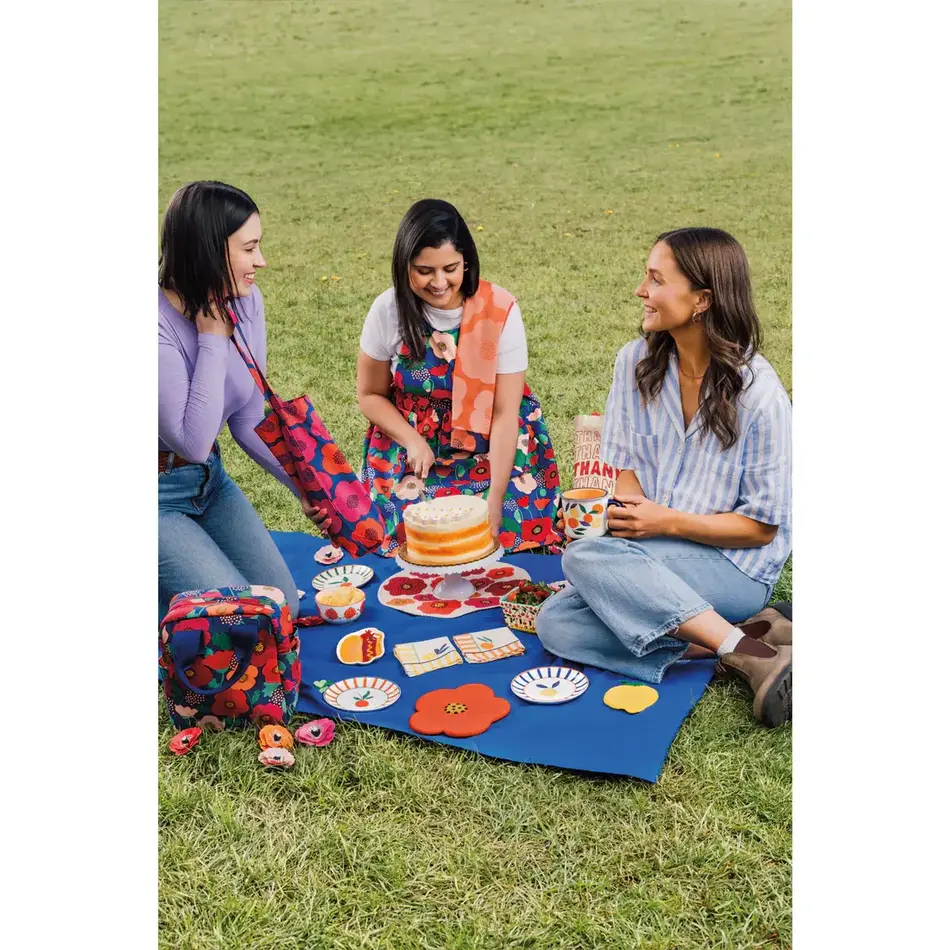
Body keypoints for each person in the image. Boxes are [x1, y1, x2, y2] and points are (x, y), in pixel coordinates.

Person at [535, 227, 792, 727]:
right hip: (653, 550)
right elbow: (626, 468)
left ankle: (752, 654)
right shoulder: (634, 363)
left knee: (584, 556)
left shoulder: (759, 394)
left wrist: (663, 523)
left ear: (702, 300)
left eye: (656, 279)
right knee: (557, 621)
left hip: (735, 566)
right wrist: (625, 519)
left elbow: (762, 529)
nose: (641, 291)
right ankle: (744, 639)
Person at [158, 181, 327, 622]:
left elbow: (248, 417)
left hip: (208, 483)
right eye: (249, 249)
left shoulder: (246, 301)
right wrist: (213, 337)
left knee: (282, 606)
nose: (261, 261)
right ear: (210, 251)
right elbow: (192, 443)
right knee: (246, 620)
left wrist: (305, 490)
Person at [356, 198, 563, 555]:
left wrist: (495, 499)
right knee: (412, 536)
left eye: (450, 268)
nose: (439, 283)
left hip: (492, 447)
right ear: (404, 267)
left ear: (466, 260)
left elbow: (505, 413)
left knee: (505, 528)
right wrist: (412, 441)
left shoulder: (500, 310)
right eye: (425, 271)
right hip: (414, 450)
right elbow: (370, 395)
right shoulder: (388, 310)